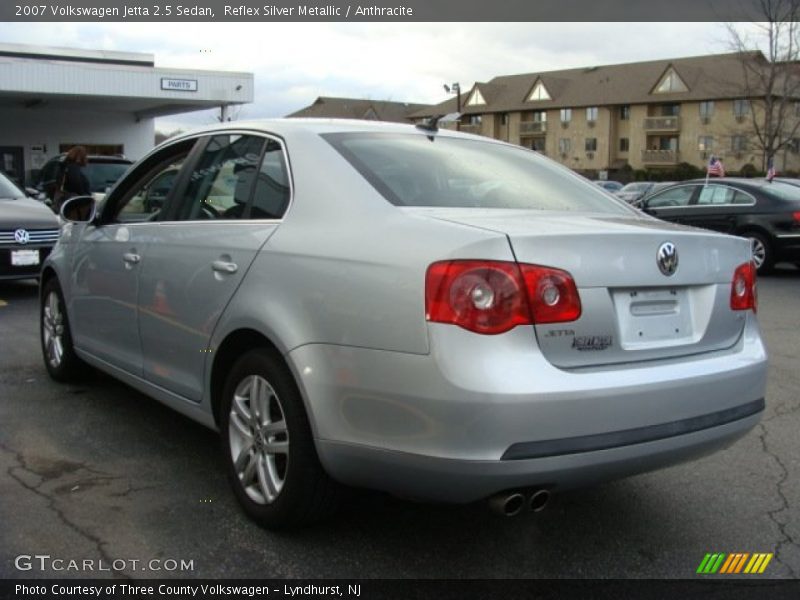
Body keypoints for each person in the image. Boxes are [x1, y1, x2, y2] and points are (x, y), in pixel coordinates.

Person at [53, 146, 90, 212]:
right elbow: (76, 184)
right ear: (81, 157)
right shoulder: (73, 168)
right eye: (85, 156)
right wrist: (85, 195)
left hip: (65, 202)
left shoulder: (64, 167)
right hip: (74, 204)